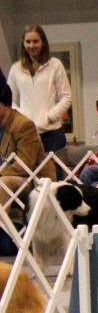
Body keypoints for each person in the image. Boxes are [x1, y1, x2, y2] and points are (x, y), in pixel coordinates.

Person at [7, 24, 72, 155]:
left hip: (52, 133)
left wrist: (49, 117)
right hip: (25, 134)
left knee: (53, 174)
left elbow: (66, 97)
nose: (32, 45)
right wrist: (22, 119)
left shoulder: (55, 65)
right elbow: (10, 100)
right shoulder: (16, 69)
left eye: (35, 41)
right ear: (23, 43)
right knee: (26, 174)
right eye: (28, 41)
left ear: (43, 43)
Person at [0, 81, 56, 222]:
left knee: (2, 182)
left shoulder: (23, 124)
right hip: (8, 175)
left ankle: (2, 228)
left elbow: (25, 165)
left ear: (5, 105)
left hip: (31, 179)